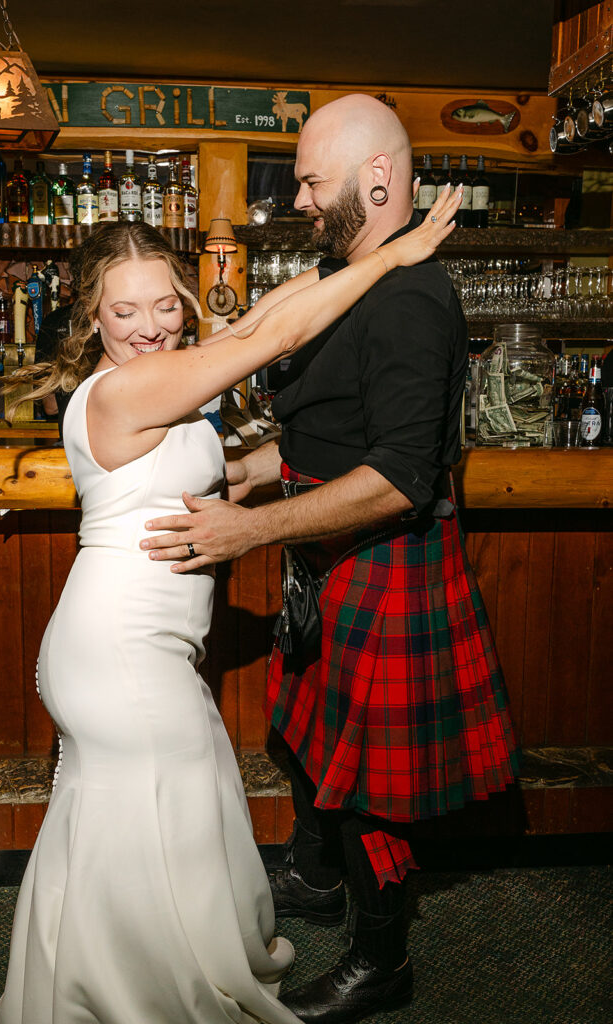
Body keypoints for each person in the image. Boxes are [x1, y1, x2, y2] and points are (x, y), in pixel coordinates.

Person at [0, 193, 460, 1023]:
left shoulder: (167, 378)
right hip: (121, 655)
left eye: (164, 303)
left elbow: (259, 322)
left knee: (133, 828)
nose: (149, 325)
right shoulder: (124, 391)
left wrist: (355, 265)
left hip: (131, 650)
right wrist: (393, 258)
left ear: (183, 295)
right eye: (123, 310)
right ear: (92, 319)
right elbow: (264, 337)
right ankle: (137, 1000)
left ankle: (88, 982)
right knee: (153, 836)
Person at [140, 94, 520, 1024]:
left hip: (387, 559)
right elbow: (325, 433)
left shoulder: (414, 303)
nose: (300, 197)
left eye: (313, 180)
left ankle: (377, 960)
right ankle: (318, 884)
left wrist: (249, 528)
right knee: (314, 738)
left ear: (376, 180)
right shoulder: (340, 275)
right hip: (330, 554)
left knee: (370, 784)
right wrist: (249, 472)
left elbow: (395, 476)